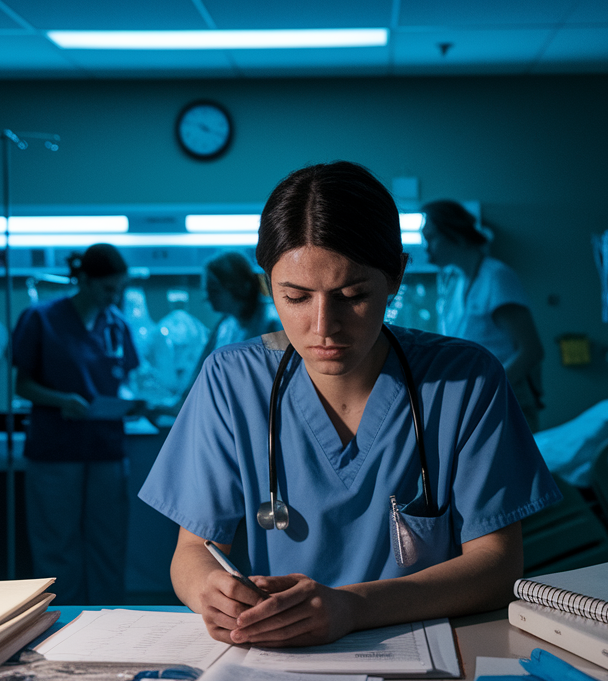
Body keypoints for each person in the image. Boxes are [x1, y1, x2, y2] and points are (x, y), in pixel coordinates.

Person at [139, 162, 561, 647]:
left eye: (352, 295)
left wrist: (353, 607)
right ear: (267, 286)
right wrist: (208, 590)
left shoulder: (465, 382)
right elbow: (194, 550)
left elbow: (497, 564)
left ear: (396, 275)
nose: (324, 326)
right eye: (295, 297)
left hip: (421, 653)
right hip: (275, 656)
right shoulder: (230, 380)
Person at [12, 243, 138, 605]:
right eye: (106, 288)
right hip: (55, 450)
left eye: (118, 289)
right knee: (57, 548)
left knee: (108, 545)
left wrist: (131, 402)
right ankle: (59, 626)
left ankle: (111, 623)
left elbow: (126, 377)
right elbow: (22, 384)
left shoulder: (116, 325)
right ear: (82, 279)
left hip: (106, 449)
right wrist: (61, 400)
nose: (113, 297)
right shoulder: (41, 318)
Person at [422, 200, 547, 431]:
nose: (426, 248)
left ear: (455, 235)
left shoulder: (496, 277)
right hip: (474, 400)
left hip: (505, 399)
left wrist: (487, 389)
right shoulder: (456, 282)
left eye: (431, 238)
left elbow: (531, 351)